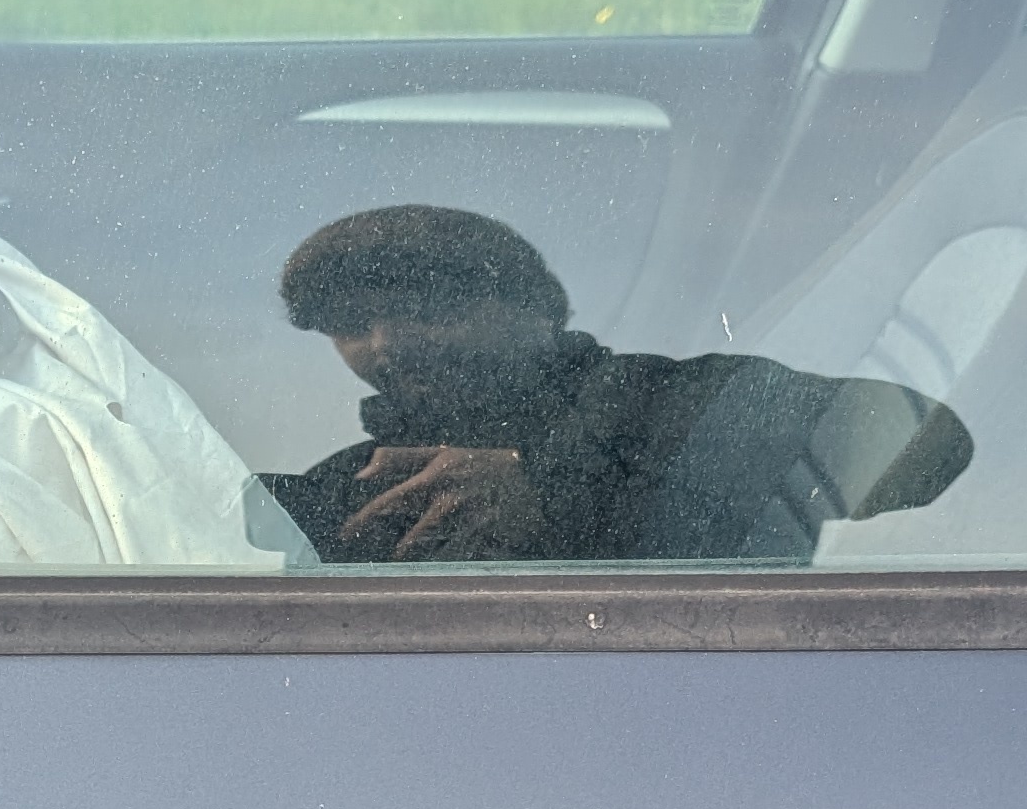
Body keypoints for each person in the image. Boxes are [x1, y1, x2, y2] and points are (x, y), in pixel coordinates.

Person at [257, 206, 974, 566]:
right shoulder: (363, 483)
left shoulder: (665, 399)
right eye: (350, 324)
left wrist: (553, 492)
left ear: (533, 309)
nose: (388, 342)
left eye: (426, 307)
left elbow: (927, 441)